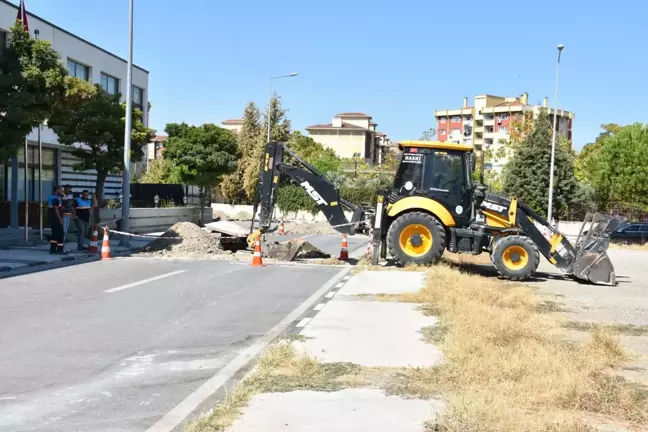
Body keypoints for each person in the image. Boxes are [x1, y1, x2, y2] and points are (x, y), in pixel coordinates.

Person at [47, 185, 65, 254]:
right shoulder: (55, 199)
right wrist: (60, 219)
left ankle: (53, 249)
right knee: (60, 234)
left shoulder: (51, 197)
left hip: (52, 219)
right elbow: (56, 210)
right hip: (56, 219)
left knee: (54, 234)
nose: (61, 191)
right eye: (60, 190)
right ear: (57, 190)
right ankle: (60, 249)